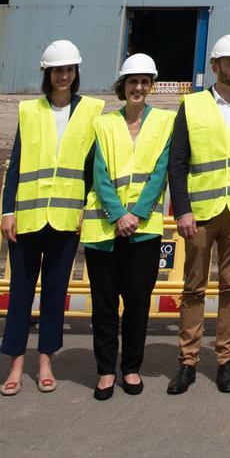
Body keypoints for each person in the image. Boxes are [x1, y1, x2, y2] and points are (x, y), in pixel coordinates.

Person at [0, 39, 103, 396]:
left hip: (66, 218)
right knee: (20, 293)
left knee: (55, 294)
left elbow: (94, 170)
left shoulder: (92, 111)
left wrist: (86, 210)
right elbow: (15, 165)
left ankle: (45, 361)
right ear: (48, 74)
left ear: (76, 74)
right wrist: (8, 210)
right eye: (58, 70)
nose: (64, 76)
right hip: (27, 218)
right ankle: (15, 363)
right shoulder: (29, 111)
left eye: (69, 70)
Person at [166, 32, 230, 395]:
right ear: (215, 66)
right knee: (193, 289)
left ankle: (226, 361)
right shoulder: (191, 106)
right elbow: (177, 163)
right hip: (201, 215)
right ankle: (187, 362)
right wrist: (183, 210)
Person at [80, 52, 173, 400]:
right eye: (132, 82)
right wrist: (119, 214)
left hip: (143, 230)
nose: (138, 87)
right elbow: (99, 174)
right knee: (103, 305)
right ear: (123, 86)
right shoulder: (103, 124)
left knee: (137, 303)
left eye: (144, 82)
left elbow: (160, 171)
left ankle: (131, 367)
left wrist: (138, 213)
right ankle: (105, 371)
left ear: (151, 86)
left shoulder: (165, 122)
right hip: (105, 230)